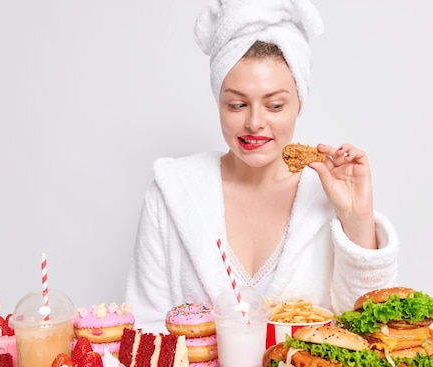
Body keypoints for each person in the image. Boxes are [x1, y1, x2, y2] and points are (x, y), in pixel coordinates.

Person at [125, 0, 398, 333]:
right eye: (237, 104)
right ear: (219, 102)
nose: (255, 122)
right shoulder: (172, 195)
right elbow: (146, 327)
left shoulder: (327, 195)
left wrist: (357, 222)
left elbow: (371, 329)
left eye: (275, 105)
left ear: (299, 103)